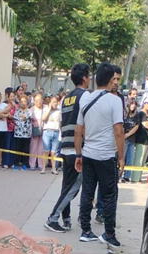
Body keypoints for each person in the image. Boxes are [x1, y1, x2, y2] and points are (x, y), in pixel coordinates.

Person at [74, 62, 125, 247]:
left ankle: (86, 231)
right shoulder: (115, 100)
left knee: (87, 192)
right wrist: (121, 157)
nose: (116, 83)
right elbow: (118, 131)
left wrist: (78, 154)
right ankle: (109, 234)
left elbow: (78, 130)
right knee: (110, 195)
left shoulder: (86, 99)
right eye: (115, 79)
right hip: (106, 155)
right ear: (111, 80)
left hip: (88, 154)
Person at [44, 63, 90, 232]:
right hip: (77, 148)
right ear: (85, 78)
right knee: (73, 187)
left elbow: (64, 122)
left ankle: (66, 218)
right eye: (89, 76)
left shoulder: (66, 98)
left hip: (65, 146)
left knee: (67, 185)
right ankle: (53, 218)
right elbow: (85, 124)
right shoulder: (85, 96)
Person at [41, 95, 62, 174]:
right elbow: (43, 119)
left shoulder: (59, 110)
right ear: (50, 102)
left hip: (56, 131)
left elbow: (60, 122)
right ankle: (43, 168)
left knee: (54, 152)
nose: (55, 103)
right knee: (46, 151)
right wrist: (49, 109)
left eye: (56, 102)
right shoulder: (46, 109)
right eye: (53, 102)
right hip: (47, 131)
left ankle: (54, 168)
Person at [121, 100, 140, 182]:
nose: (133, 106)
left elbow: (136, 127)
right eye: (131, 104)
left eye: (134, 104)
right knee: (122, 158)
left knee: (130, 159)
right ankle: (118, 174)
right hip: (122, 140)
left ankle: (127, 176)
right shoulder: (124, 115)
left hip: (131, 139)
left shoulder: (137, 116)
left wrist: (127, 135)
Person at [13, 96, 33, 170]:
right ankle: (17, 163)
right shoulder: (17, 111)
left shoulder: (29, 111)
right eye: (22, 102)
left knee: (26, 149)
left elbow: (27, 117)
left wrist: (23, 117)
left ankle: (25, 163)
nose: (23, 103)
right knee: (17, 149)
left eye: (25, 101)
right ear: (19, 103)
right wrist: (22, 118)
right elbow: (15, 120)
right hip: (18, 133)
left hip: (26, 134)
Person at [29, 94, 46, 171]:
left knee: (41, 148)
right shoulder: (31, 109)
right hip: (34, 130)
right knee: (33, 147)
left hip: (44, 129)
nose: (38, 102)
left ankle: (41, 164)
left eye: (40, 100)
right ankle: (32, 164)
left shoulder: (45, 107)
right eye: (36, 100)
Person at [3, 88, 17, 168]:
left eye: (13, 96)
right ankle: (5, 162)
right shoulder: (5, 105)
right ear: (7, 97)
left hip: (14, 128)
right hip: (7, 128)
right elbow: (5, 113)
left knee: (12, 146)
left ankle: (11, 163)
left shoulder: (16, 106)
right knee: (7, 146)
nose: (12, 98)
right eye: (11, 96)